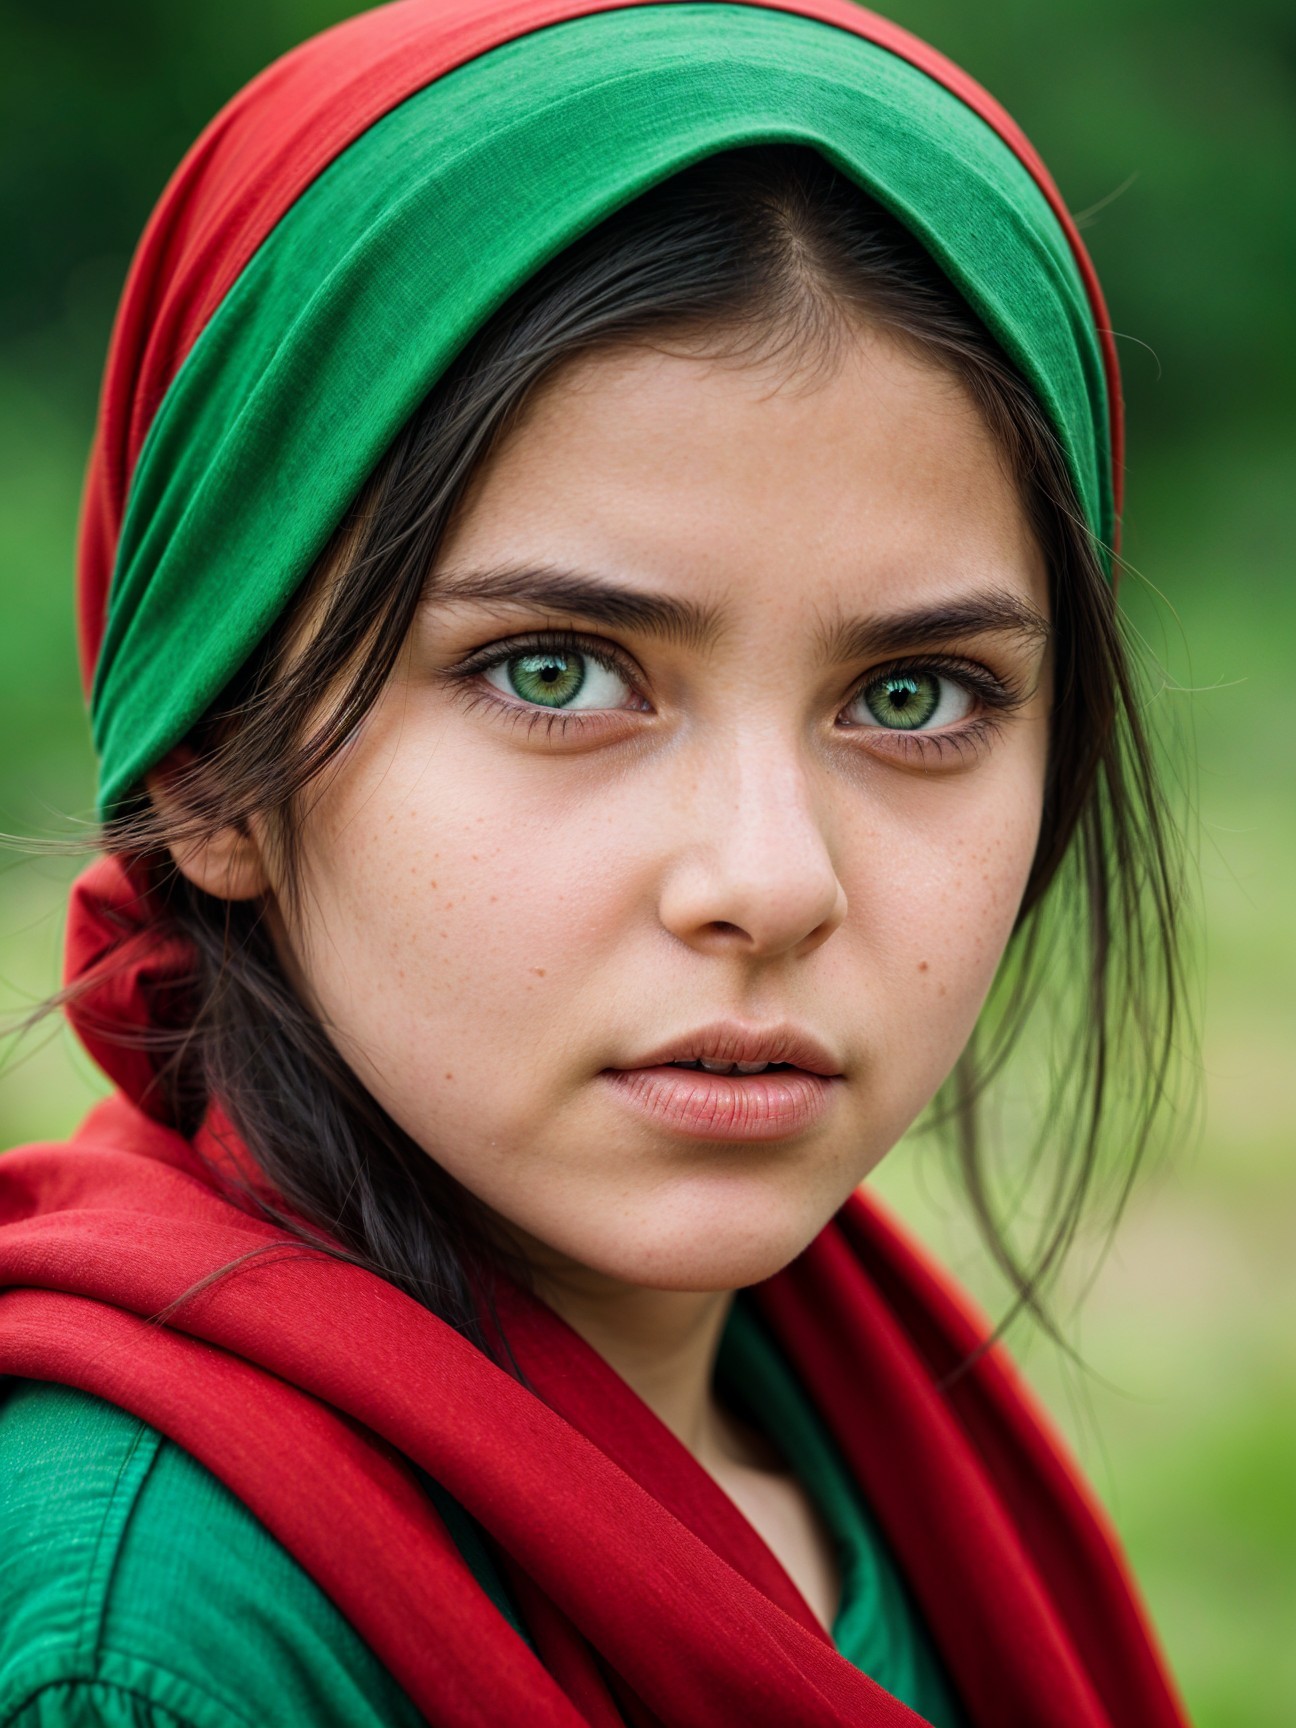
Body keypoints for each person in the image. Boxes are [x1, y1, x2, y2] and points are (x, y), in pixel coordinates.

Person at [0, 1, 1192, 1723]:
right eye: (555, 672)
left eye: (915, 696)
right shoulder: (149, 1647)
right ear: (208, 765)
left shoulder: (838, 1430)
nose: (772, 882)